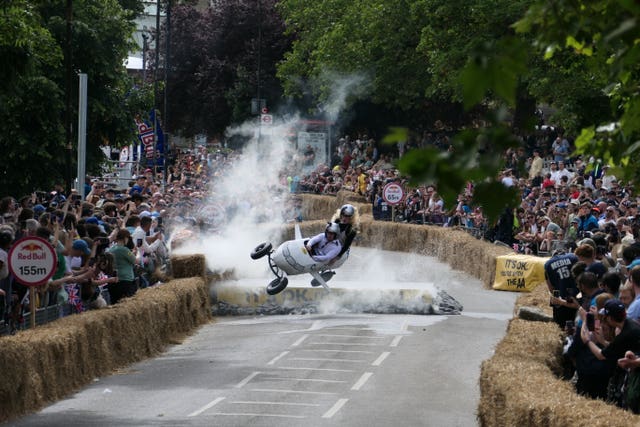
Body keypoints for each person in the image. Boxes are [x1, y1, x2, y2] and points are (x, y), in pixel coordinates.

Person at [546, 249, 580, 327]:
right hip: (576, 295)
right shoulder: (572, 257)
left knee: (561, 327)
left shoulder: (548, 264)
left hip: (560, 298)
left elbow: (551, 288)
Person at [106, 228, 136, 304]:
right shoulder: (124, 250)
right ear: (125, 238)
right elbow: (135, 261)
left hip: (113, 280)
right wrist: (136, 253)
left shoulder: (111, 249)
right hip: (125, 280)